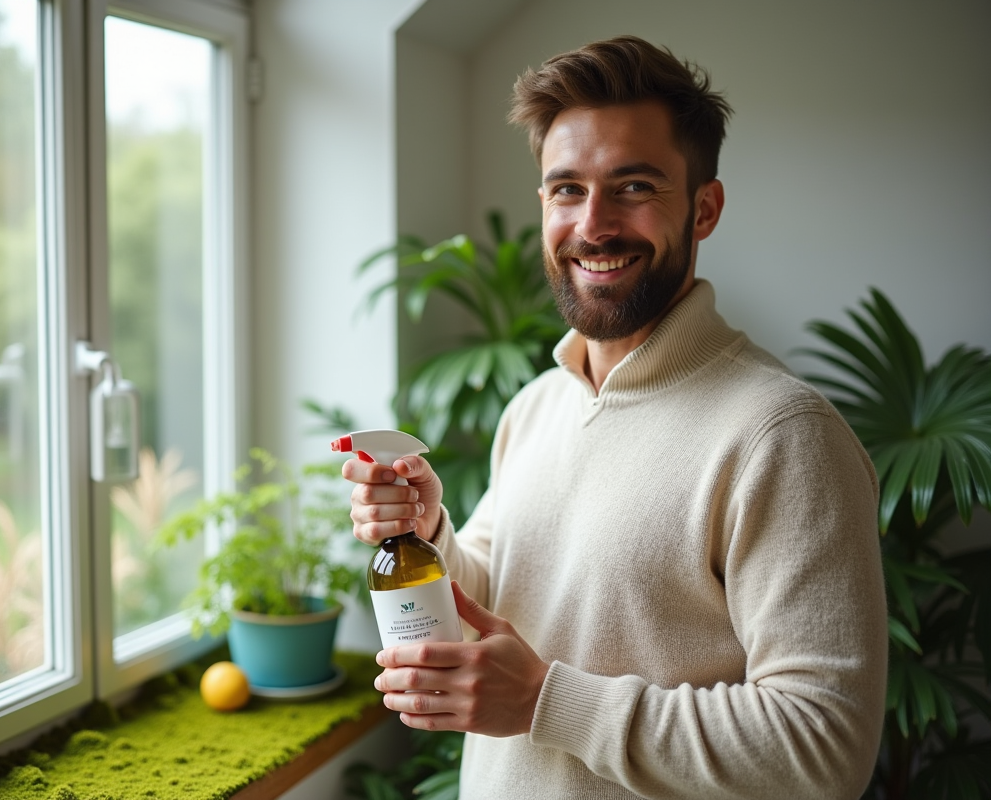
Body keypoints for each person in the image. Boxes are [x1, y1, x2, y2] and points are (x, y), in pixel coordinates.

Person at [341, 35, 886, 799]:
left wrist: (544, 703)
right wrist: (431, 535)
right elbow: (493, 605)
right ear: (542, 203)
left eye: (632, 186)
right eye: (566, 189)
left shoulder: (781, 435)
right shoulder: (537, 404)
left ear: (704, 208)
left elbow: (825, 748)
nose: (593, 225)